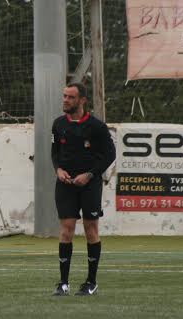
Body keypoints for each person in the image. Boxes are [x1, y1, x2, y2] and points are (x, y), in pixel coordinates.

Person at [50, 82, 116, 296]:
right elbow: (55, 152)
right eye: (64, 96)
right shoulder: (58, 124)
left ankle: (91, 282)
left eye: (70, 97)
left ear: (82, 100)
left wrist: (89, 175)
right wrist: (58, 169)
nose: (65, 100)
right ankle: (63, 283)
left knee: (90, 230)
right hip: (65, 185)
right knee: (66, 229)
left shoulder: (97, 127)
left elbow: (109, 155)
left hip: (90, 185)